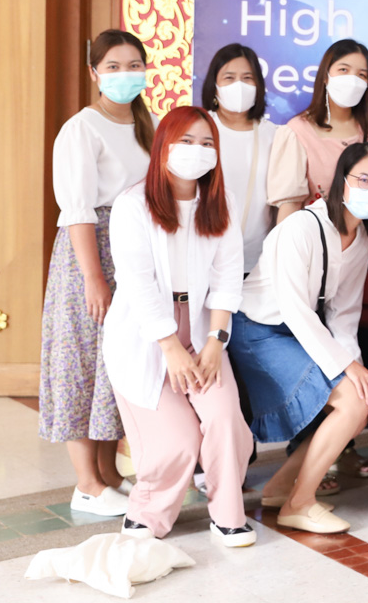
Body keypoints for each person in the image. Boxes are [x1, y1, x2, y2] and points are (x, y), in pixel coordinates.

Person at [103, 106, 255, 546]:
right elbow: (137, 283)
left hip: (204, 329)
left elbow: (228, 277)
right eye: (186, 141)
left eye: (207, 143)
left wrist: (215, 343)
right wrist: (170, 348)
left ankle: (228, 515)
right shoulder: (133, 205)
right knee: (179, 441)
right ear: (164, 146)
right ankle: (146, 513)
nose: (197, 150)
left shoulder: (220, 203)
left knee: (225, 419)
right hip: (146, 335)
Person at [229, 142, 368, 534]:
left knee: (360, 398)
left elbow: (344, 314)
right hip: (257, 331)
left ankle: (281, 488)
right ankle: (300, 503)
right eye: (364, 180)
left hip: (299, 333)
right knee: (352, 401)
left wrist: (355, 368)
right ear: (342, 181)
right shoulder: (301, 227)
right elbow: (294, 308)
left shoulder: (362, 239)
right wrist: (346, 366)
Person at [42, 29, 155, 517]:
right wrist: (94, 277)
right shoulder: (81, 129)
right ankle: (86, 484)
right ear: (94, 73)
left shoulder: (149, 125)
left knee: (117, 364)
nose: (124, 74)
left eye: (134, 65)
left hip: (134, 251)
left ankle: (109, 474)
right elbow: (78, 210)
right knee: (83, 360)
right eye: (113, 66)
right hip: (91, 251)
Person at [268, 38, 368, 221]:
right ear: (325, 76)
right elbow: (289, 209)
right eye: (343, 70)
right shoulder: (298, 131)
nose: (353, 80)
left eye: (362, 75)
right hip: (316, 235)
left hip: (366, 236)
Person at [201, 43, 277, 274]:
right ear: (214, 85)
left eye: (247, 78)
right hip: (203, 256)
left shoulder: (273, 134)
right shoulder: (199, 128)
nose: (239, 85)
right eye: (229, 78)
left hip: (256, 260)